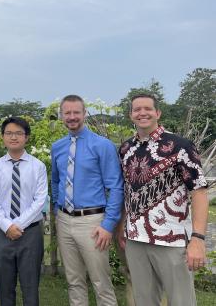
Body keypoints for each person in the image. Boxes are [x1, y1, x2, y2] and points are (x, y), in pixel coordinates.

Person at [117, 93, 208, 306]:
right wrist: (122, 225)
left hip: (171, 240)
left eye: (147, 108)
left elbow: (199, 192)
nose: (142, 113)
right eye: (137, 109)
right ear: (131, 115)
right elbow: (127, 190)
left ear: (157, 113)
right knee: (144, 301)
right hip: (136, 240)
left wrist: (197, 239)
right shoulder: (125, 149)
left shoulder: (180, 146)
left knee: (181, 301)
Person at [51, 95, 123, 306]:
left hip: (93, 223)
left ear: (84, 114)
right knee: (74, 281)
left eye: (76, 112)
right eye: (67, 113)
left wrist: (108, 225)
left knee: (101, 282)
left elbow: (116, 186)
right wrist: (57, 209)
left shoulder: (103, 145)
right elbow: (55, 181)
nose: (72, 117)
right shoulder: (58, 146)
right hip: (64, 221)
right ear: (62, 115)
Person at [0, 117, 47, 306]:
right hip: (2, 233)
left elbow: (40, 200)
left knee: (30, 287)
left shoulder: (38, 166)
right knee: (4, 287)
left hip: (30, 233)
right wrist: (7, 226)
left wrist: (17, 225)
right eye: (9, 133)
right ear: (3, 137)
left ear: (26, 137)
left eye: (19, 133)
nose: (14, 137)